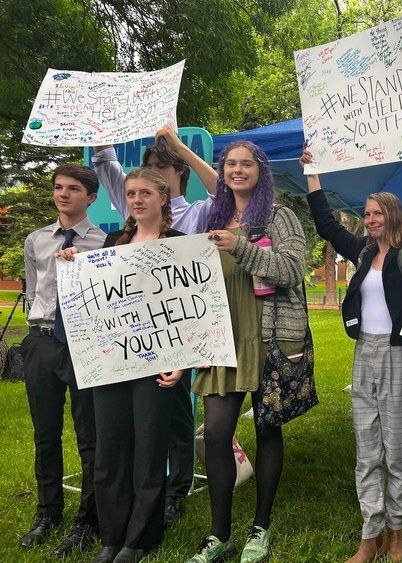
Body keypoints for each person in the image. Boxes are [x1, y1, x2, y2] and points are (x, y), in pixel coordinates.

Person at [300, 133, 402, 563]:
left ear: (393, 215)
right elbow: (326, 224)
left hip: (401, 355)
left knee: (398, 451)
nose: (369, 219)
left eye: (377, 212)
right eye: (366, 214)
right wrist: (313, 174)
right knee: (367, 449)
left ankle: (396, 530)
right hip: (364, 354)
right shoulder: (362, 253)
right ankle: (371, 536)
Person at [183, 140, 308, 563]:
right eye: (230, 164)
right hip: (223, 338)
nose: (237, 170)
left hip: (270, 336)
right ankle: (220, 535)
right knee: (216, 433)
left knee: (268, 428)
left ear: (261, 170)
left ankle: (260, 527)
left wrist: (238, 247)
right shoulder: (213, 217)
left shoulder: (279, 215)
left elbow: (292, 270)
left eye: (246, 164)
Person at [56, 168, 185, 563]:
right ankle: (112, 535)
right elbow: (96, 298)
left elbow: (190, 313)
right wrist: (74, 263)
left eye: (146, 192)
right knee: (110, 447)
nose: (137, 200)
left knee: (149, 449)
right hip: (112, 362)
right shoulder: (114, 242)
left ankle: (139, 539)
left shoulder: (182, 245)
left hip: (157, 364)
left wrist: (182, 364)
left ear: (164, 198)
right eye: (131, 194)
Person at [92, 133, 217, 527]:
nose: (140, 191)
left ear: (174, 179)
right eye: (135, 187)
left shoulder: (195, 214)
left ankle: (175, 493)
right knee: (135, 423)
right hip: (130, 337)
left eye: (157, 174)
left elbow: (225, 193)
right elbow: (106, 165)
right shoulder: (129, 222)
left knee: (177, 417)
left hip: (173, 334)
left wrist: (178, 146)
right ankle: (136, 491)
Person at [20, 164, 106, 558]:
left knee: (90, 436)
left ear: (91, 197)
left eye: (73, 189)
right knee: (45, 434)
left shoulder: (105, 244)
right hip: (41, 342)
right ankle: (47, 512)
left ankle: (88, 520)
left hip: (83, 344)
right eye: (58, 187)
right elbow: (33, 290)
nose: (63, 194)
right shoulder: (36, 240)